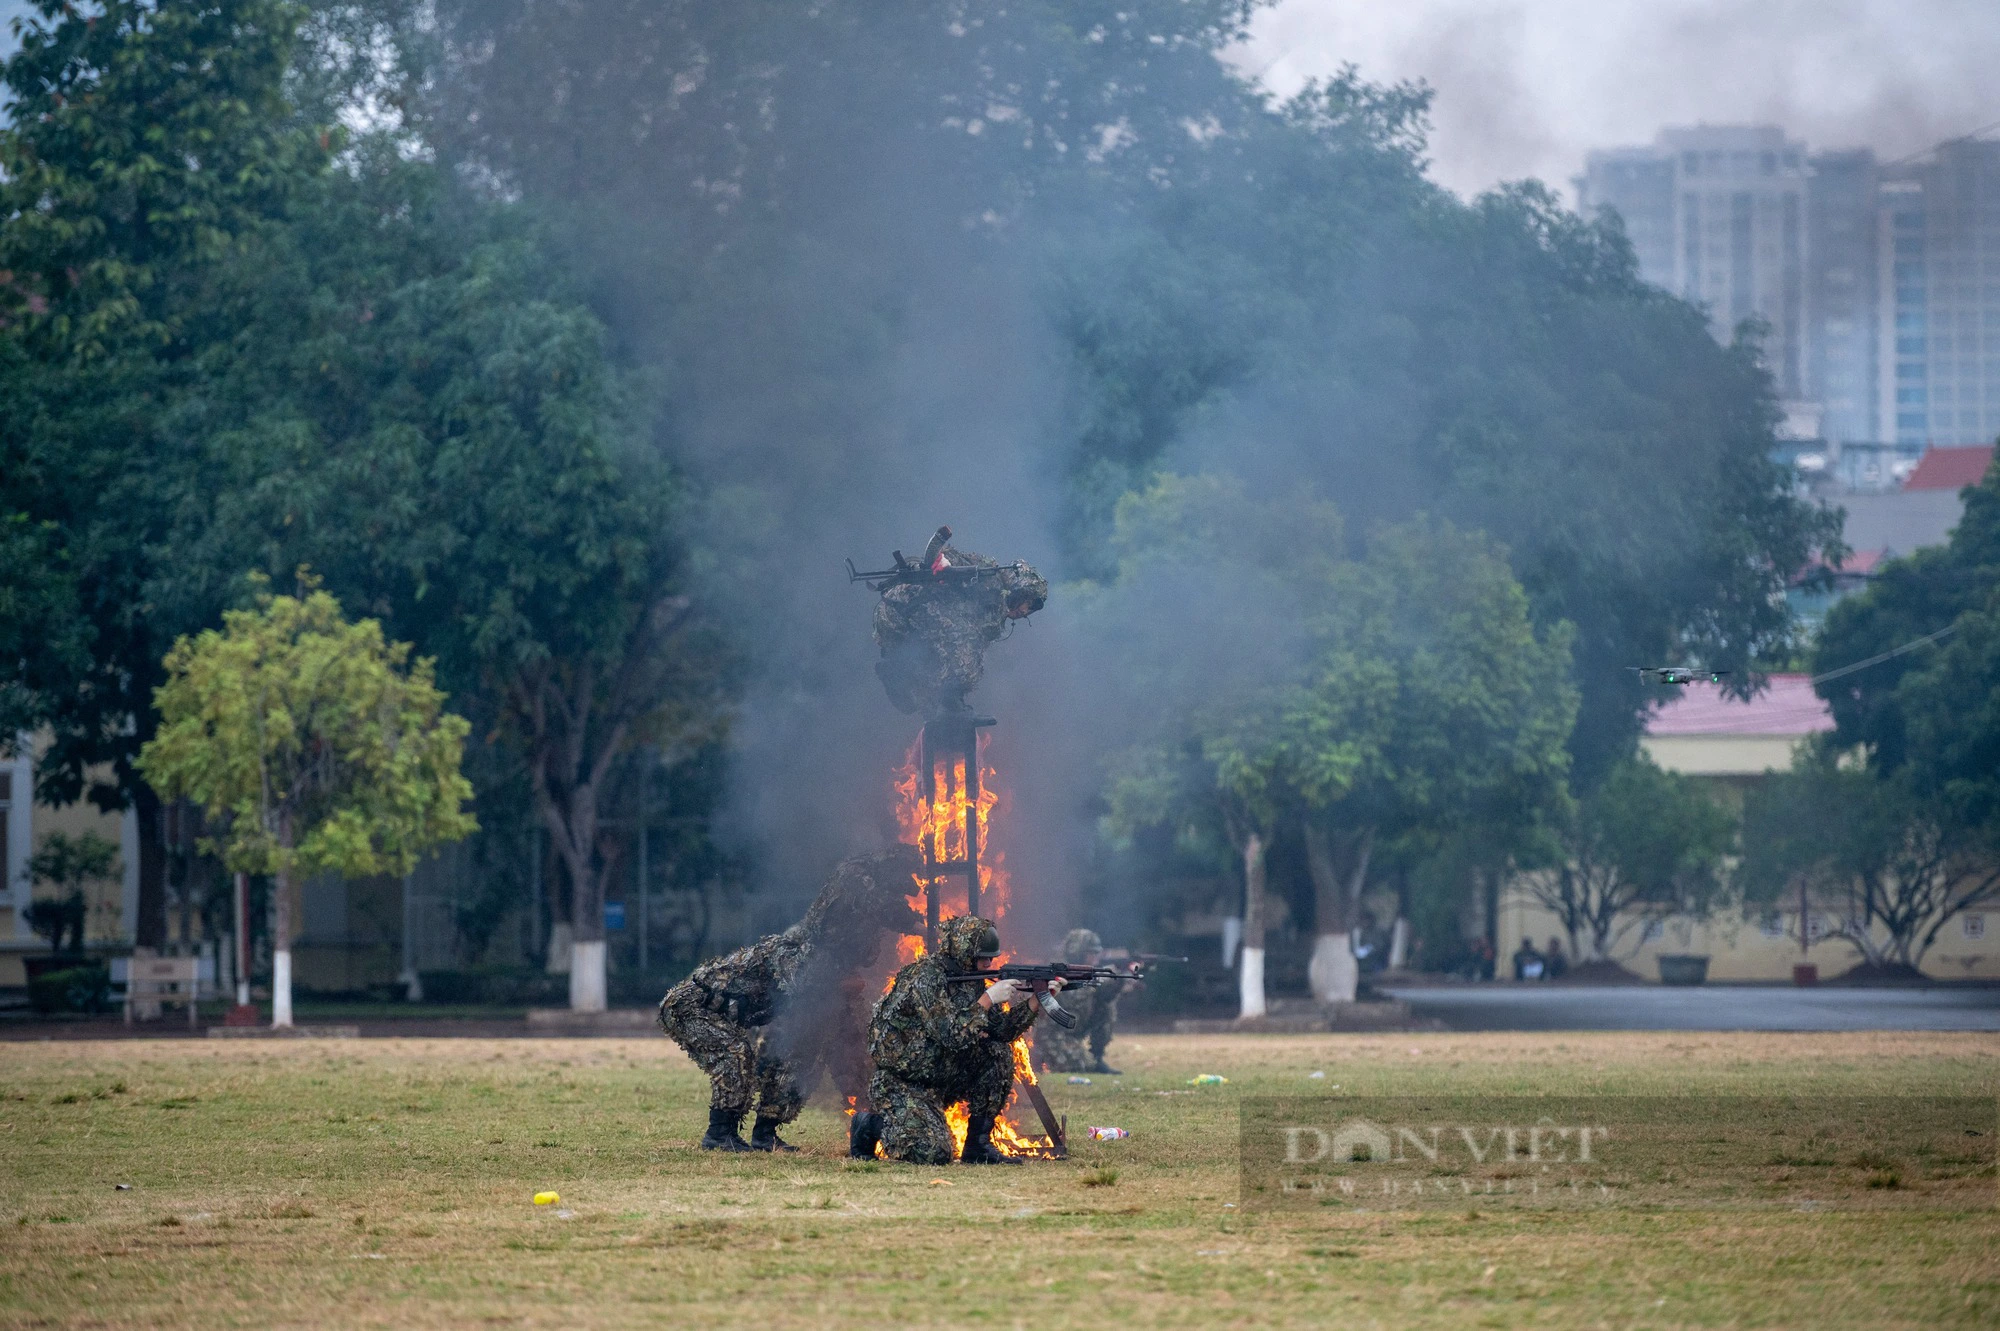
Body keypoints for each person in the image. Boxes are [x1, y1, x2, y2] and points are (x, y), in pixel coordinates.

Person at [658, 847, 920, 1152]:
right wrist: (846, 984)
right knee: (735, 1053)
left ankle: (764, 1135)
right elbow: (807, 986)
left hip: (730, 1012)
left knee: (792, 1057)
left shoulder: (823, 962)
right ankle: (719, 1135)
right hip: (692, 1006)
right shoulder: (793, 952)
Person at [866, 915, 1062, 1165]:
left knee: (997, 1052)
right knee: (934, 1153)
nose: (988, 963)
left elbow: (1001, 1031)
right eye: (983, 957)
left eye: (991, 957)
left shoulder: (971, 981)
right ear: (965, 952)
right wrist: (988, 998)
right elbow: (949, 1034)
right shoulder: (926, 977)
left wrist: (1038, 999)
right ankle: (871, 1125)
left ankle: (978, 1146)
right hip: (903, 1083)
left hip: (942, 1076)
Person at [871, 530, 1048, 717]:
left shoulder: (995, 612)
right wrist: (942, 562)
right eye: (1028, 603)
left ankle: (897, 669)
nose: (1025, 612)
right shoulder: (988, 574)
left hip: (903, 630)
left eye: (1031, 610)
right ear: (1019, 592)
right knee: (966, 660)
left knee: (917, 701)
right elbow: (951, 559)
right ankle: (950, 704)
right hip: (902, 612)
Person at [1034, 928, 1124, 1075]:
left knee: (1107, 1007)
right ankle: (1039, 1059)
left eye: (1097, 952)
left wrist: (1118, 979)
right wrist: (1098, 981)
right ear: (1078, 953)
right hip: (1051, 1037)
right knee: (1082, 1065)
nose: (1096, 956)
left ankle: (1097, 1056)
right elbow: (1074, 1000)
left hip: (1070, 1034)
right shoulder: (1057, 971)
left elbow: (1104, 997)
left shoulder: (1088, 973)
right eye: (1091, 952)